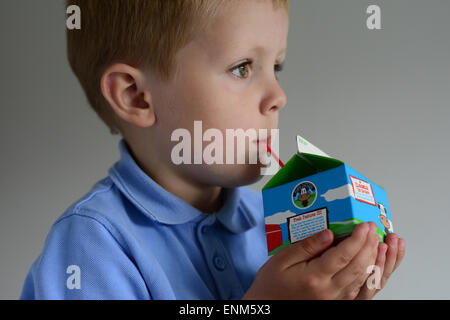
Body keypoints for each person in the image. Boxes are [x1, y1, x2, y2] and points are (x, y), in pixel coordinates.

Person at [20, 0, 405, 299]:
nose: (278, 96)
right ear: (136, 96)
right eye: (242, 68)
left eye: (277, 66)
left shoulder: (273, 219)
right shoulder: (93, 245)